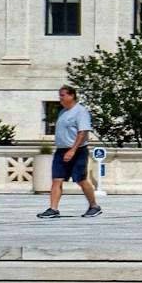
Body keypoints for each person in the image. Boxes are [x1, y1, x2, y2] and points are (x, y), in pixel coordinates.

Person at [38, 84, 100, 219]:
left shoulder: (80, 111)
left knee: (81, 180)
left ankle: (94, 206)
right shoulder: (62, 112)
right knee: (56, 180)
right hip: (61, 151)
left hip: (77, 151)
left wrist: (72, 150)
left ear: (72, 96)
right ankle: (53, 209)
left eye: (62, 95)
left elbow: (83, 132)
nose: (60, 98)